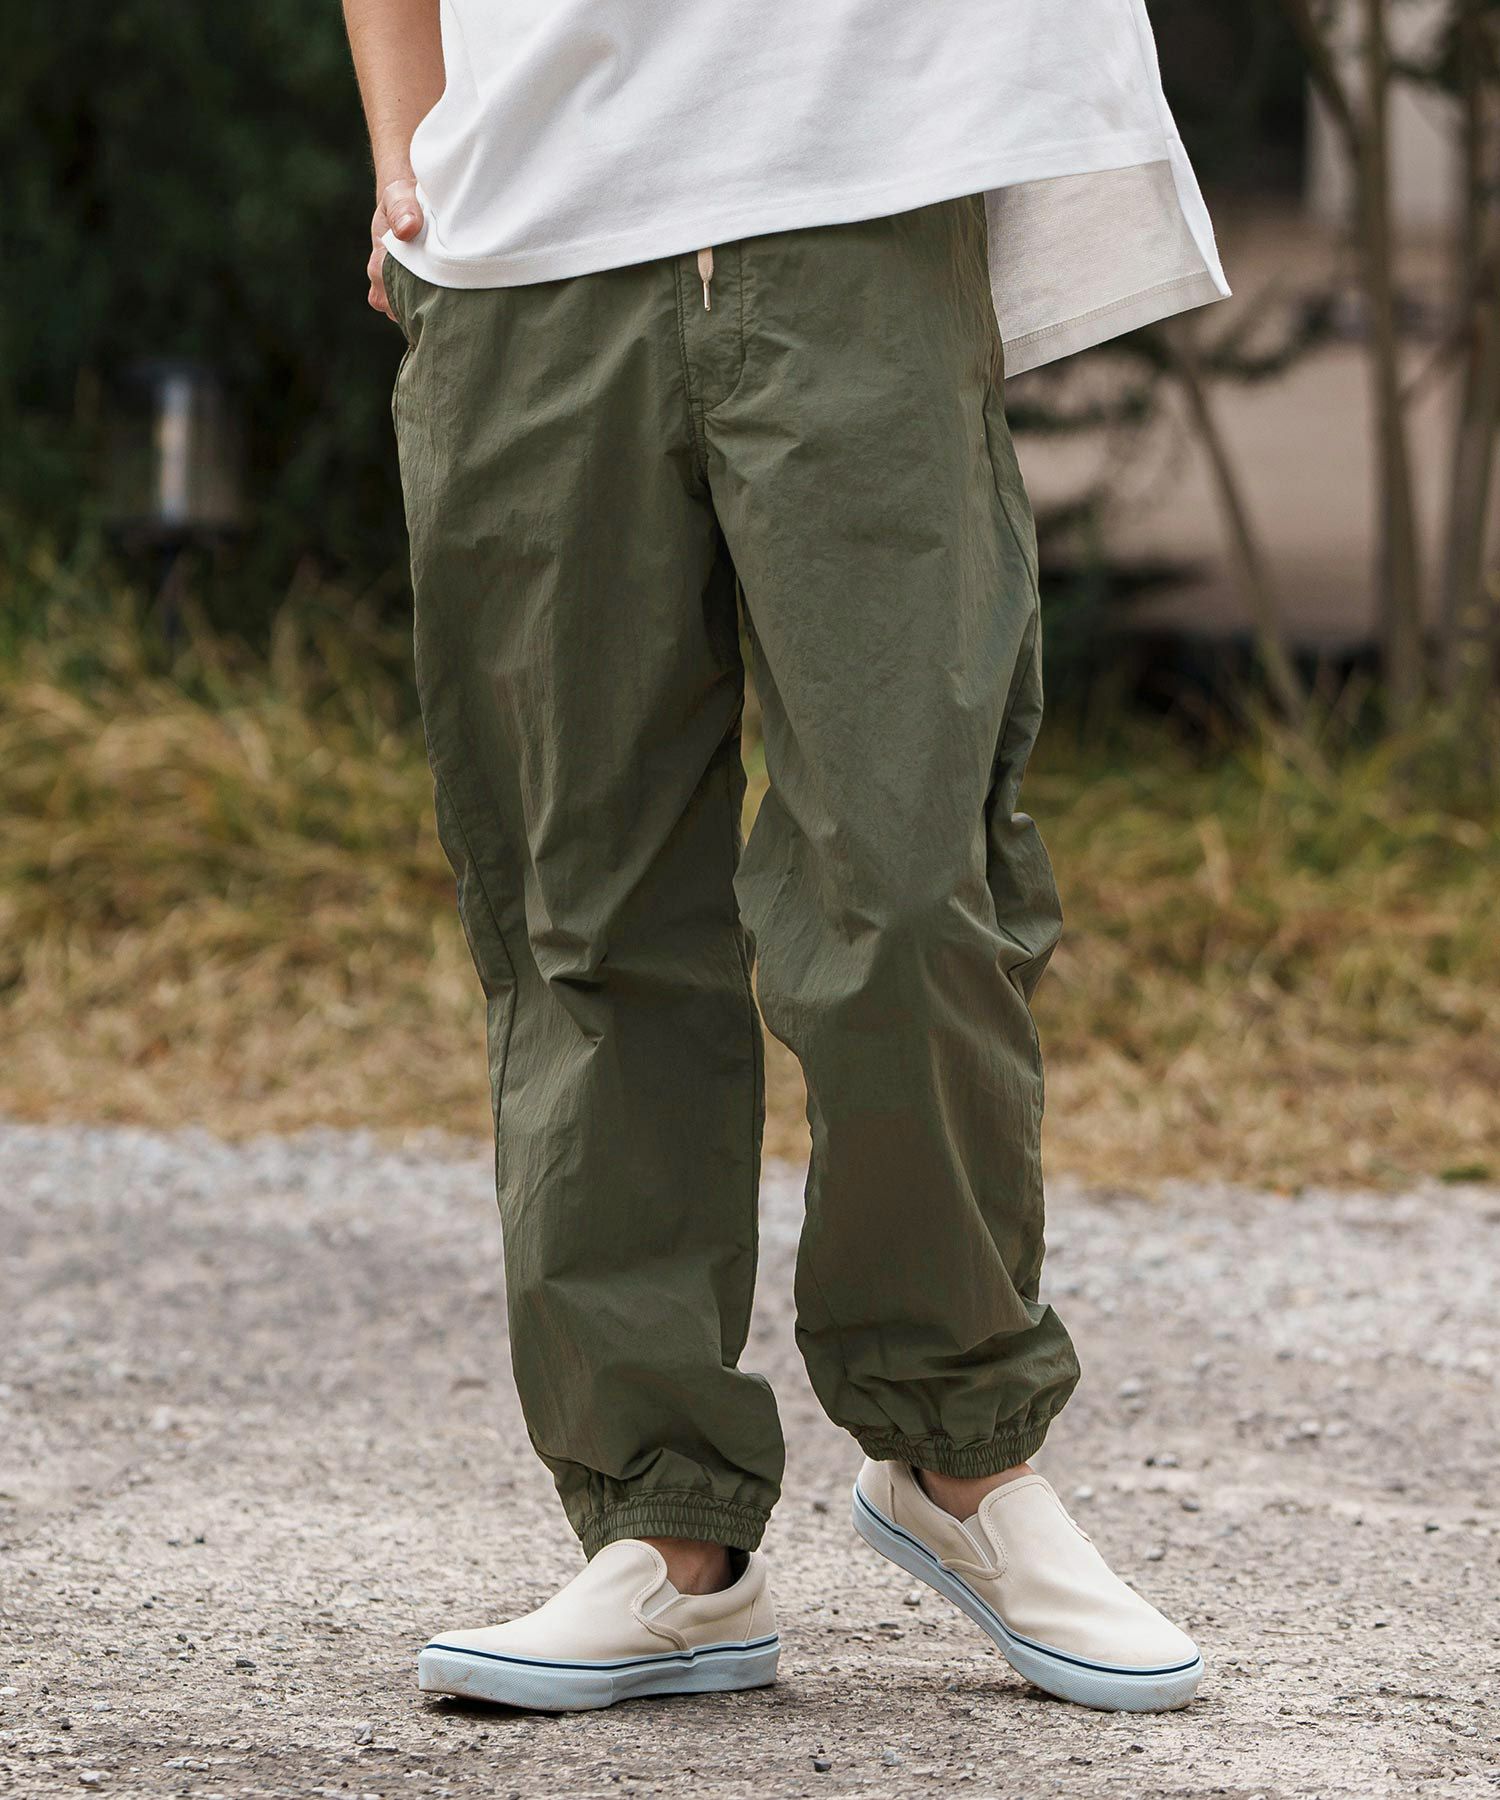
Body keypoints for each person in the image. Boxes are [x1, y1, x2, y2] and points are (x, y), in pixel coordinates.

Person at [342, 0, 1228, 1717]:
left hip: (860, 192)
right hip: (532, 235)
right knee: (587, 908)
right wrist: (406, 146)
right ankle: (667, 1536)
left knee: (908, 886)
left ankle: (960, 1452)